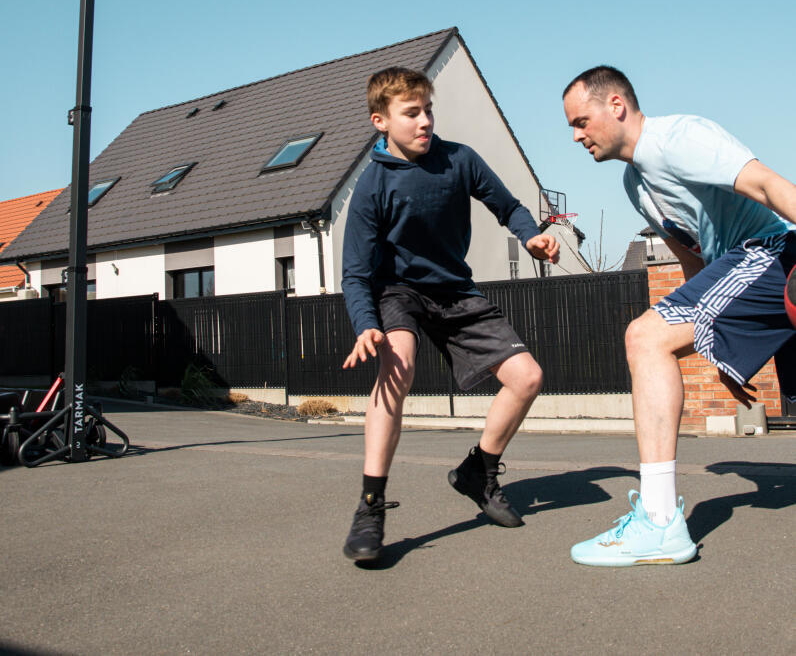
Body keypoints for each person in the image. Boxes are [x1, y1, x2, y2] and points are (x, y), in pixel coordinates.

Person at [562, 66, 796, 566]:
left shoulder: (679, 138)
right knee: (653, 336)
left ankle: (662, 522)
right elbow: (696, 265)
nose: (577, 136)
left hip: (771, 254)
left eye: (581, 121)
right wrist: (717, 342)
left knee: (643, 338)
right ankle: (660, 522)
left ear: (617, 106)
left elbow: (767, 186)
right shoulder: (636, 185)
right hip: (742, 270)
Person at [340, 66, 560, 562]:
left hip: (455, 290)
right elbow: (354, 273)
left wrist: (531, 236)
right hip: (398, 291)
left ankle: (477, 472)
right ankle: (370, 506)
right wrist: (366, 325)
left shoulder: (459, 160)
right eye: (411, 113)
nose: (425, 122)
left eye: (428, 111)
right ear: (381, 120)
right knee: (398, 363)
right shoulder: (371, 187)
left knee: (527, 377)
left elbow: (508, 205)